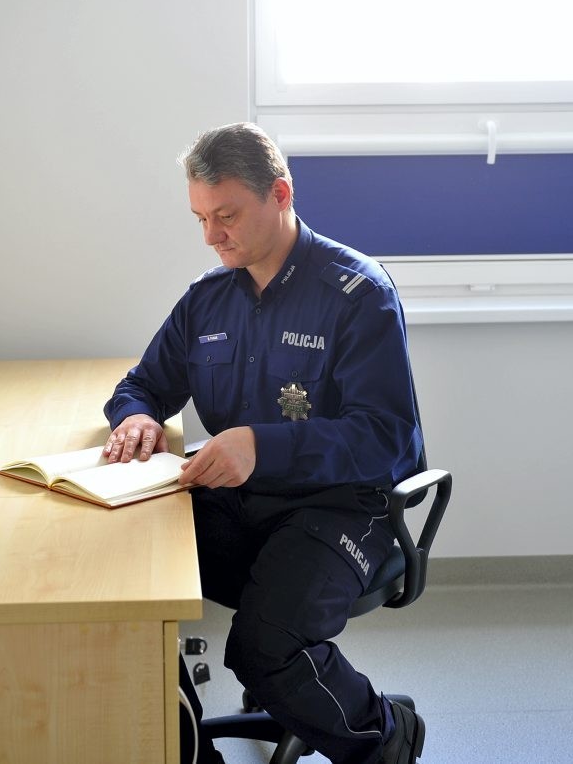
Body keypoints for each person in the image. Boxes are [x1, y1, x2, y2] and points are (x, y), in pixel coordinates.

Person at [103, 122, 425, 764]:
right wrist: (136, 419)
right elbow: (141, 384)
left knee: (264, 647)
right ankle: (189, 747)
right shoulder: (207, 300)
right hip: (240, 503)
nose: (211, 236)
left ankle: (387, 737)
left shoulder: (358, 294)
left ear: (280, 194)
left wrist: (261, 446)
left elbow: (386, 438)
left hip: (341, 507)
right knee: (125, 584)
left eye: (226, 216)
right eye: (200, 218)